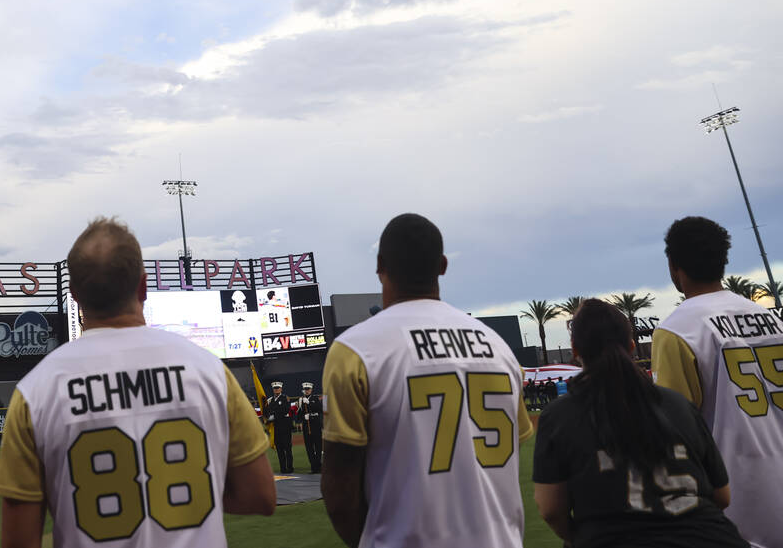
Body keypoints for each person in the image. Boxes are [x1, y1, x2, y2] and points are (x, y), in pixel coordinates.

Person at [0, 217, 275, 548]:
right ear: (143, 286)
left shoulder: (34, 392)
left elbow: (18, 540)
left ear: (74, 295)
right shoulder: (209, 370)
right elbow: (260, 495)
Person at [322, 213, 533, 548]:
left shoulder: (355, 350)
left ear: (380, 265)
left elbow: (339, 488)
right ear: (443, 265)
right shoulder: (497, 346)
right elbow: (511, 446)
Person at [534, 299, 748, 547]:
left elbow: (550, 510)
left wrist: (583, 537)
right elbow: (721, 495)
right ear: (632, 345)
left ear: (575, 349)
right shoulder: (678, 405)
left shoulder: (560, 415)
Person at [652, 216, 783, 548]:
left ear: (673, 265)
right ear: (723, 260)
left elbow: (672, 435)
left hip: (737, 506)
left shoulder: (677, 330)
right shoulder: (772, 320)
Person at [264, 381, 294, 474]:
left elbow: (286, 409)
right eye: (275, 388)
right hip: (276, 428)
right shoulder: (270, 400)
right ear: (273, 389)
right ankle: (283, 468)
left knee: (287, 449)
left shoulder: (285, 398)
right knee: (280, 449)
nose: (276, 389)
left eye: (278, 388)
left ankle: (290, 467)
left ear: (281, 389)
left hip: (285, 427)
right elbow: (267, 412)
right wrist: (269, 417)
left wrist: (274, 415)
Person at [297, 382, 323, 474]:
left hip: (315, 425)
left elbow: (320, 409)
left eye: (308, 389)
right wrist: (303, 416)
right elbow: (298, 415)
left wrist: (309, 404)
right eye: (305, 389)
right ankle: (313, 467)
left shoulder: (315, 398)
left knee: (318, 446)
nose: (307, 391)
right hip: (306, 426)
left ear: (311, 390)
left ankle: (319, 466)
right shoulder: (301, 400)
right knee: (309, 447)